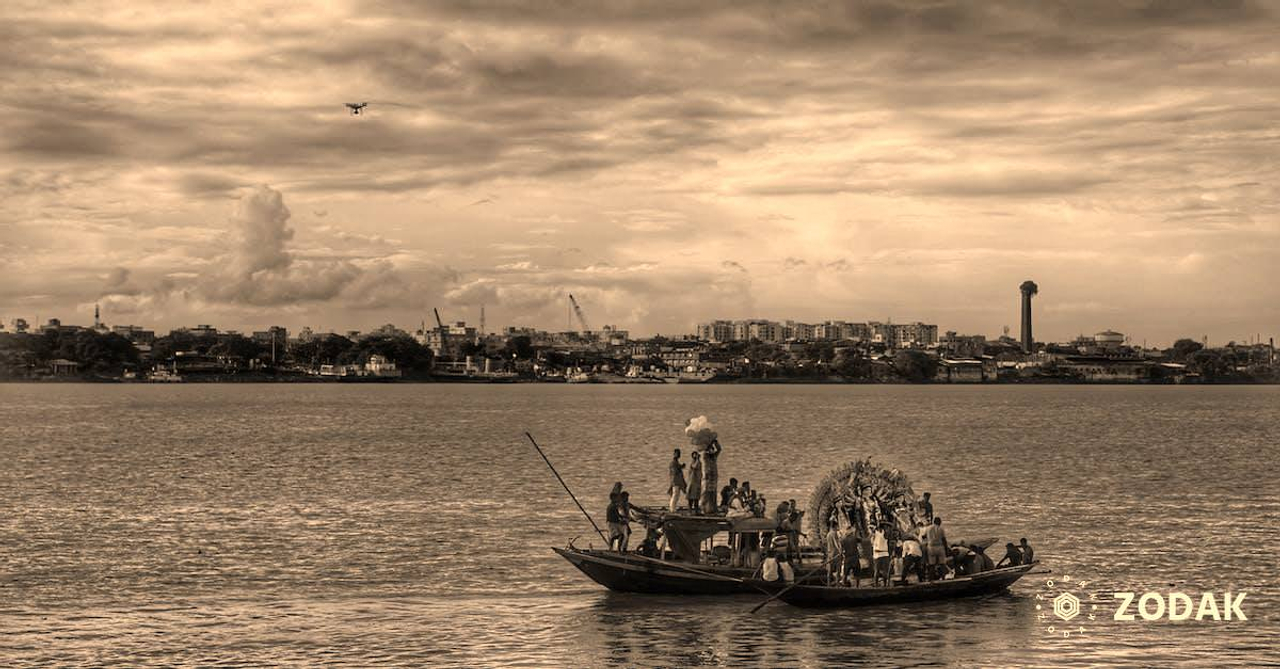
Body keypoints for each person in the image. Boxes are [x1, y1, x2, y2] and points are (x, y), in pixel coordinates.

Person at [701, 438, 721, 512]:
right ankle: (704, 508)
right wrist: (709, 443)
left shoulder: (714, 457)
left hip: (713, 477)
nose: (712, 451)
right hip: (707, 477)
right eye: (710, 450)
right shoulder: (705, 456)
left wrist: (715, 442)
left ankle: (712, 508)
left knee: (713, 493)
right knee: (706, 493)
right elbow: (705, 451)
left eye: (712, 450)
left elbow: (719, 449)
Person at [824, 519, 844, 585]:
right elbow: (836, 542)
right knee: (838, 569)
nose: (837, 527)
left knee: (829, 570)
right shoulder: (834, 533)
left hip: (829, 553)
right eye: (836, 526)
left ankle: (828, 583)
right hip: (835, 554)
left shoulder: (828, 534)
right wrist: (840, 551)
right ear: (834, 526)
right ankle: (837, 583)